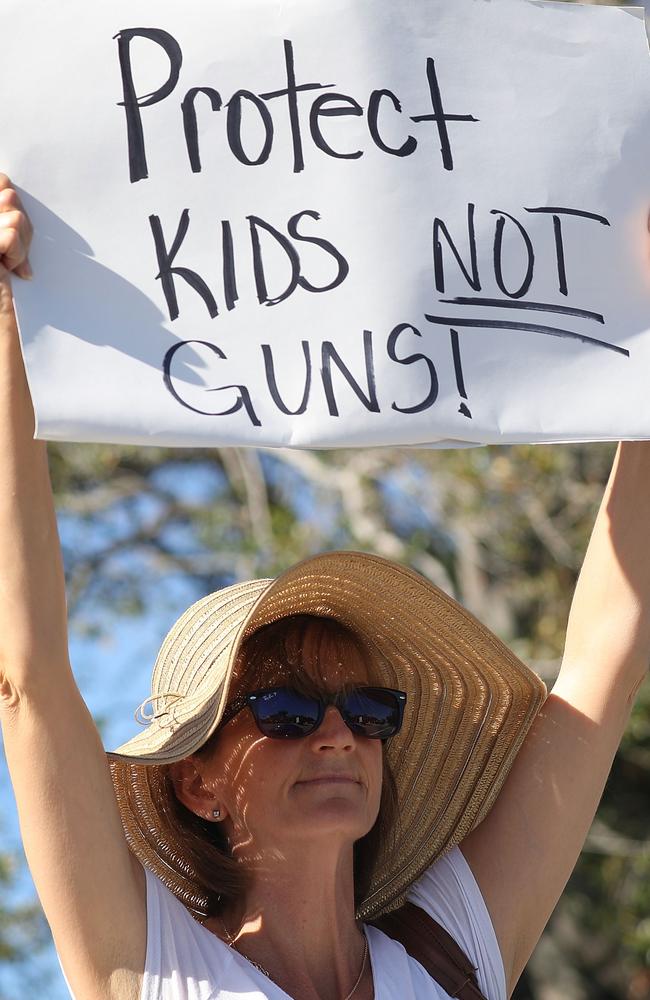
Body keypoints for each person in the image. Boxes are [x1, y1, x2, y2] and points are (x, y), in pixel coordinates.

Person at [0, 170, 648, 1000]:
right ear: (197, 783)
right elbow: (24, 678)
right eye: (286, 709)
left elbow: (606, 662)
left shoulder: (450, 956)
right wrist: (9, 323)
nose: (340, 734)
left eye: (371, 711)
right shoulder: (148, 965)